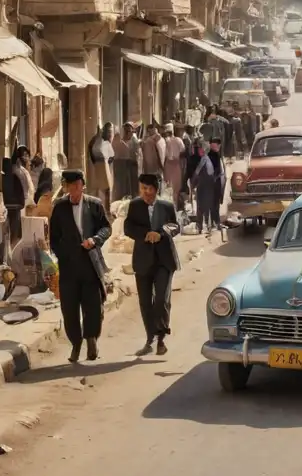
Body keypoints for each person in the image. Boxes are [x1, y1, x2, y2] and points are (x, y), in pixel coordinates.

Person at [48, 169, 112, 363]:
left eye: (78, 185)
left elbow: (106, 227)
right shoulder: (59, 207)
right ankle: (76, 344)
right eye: (71, 186)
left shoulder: (94, 205)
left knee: (93, 305)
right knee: (69, 308)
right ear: (66, 188)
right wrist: (64, 254)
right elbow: (54, 238)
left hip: (90, 263)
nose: (75, 190)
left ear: (83, 186)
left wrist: (95, 240)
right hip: (68, 266)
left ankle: (91, 340)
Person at [124, 173, 182, 356]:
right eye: (142, 189)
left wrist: (161, 233)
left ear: (156, 190)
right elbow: (128, 227)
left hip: (164, 260)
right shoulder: (134, 206)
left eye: (149, 189)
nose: (146, 192)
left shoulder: (166, 206)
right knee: (145, 302)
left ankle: (161, 338)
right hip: (143, 260)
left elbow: (175, 226)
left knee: (161, 300)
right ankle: (150, 338)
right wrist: (145, 234)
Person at [192, 137, 226, 235]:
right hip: (205, 186)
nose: (200, 150)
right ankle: (205, 226)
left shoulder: (207, 158)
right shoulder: (204, 159)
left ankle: (208, 225)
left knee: (207, 205)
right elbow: (197, 172)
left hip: (208, 185)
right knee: (204, 206)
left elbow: (201, 172)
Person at [2, 146, 33, 245]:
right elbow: (23, 188)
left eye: (27, 155)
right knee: (14, 231)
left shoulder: (21, 170)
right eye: (24, 155)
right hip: (17, 204)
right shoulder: (16, 171)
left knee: (15, 231)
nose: (26, 158)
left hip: (19, 204)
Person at [86, 124, 114, 210]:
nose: (110, 134)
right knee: (104, 189)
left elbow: (111, 156)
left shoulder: (105, 142)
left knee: (106, 189)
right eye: (108, 131)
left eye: (111, 132)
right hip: (100, 167)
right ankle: (105, 209)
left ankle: (106, 208)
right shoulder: (98, 141)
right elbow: (90, 149)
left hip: (104, 166)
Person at [112, 122, 141, 201]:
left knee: (132, 188)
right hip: (121, 169)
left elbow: (137, 156)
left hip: (132, 168)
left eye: (130, 131)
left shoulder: (134, 142)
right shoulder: (119, 142)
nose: (128, 133)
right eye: (126, 131)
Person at [162, 124, 186, 210]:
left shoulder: (166, 141)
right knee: (176, 188)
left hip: (169, 165)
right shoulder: (179, 140)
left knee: (168, 188)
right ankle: (174, 208)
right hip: (176, 165)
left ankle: (170, 208)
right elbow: (183, 151)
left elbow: (164, 155)